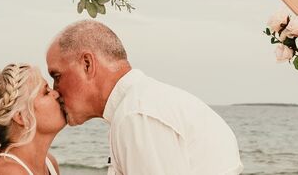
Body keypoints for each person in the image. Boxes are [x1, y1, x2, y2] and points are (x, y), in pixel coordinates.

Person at [46, 20, 244, 175]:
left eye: (57, 76)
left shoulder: (137, 115)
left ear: (87, 64)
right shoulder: (144, 104)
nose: (55, 91)